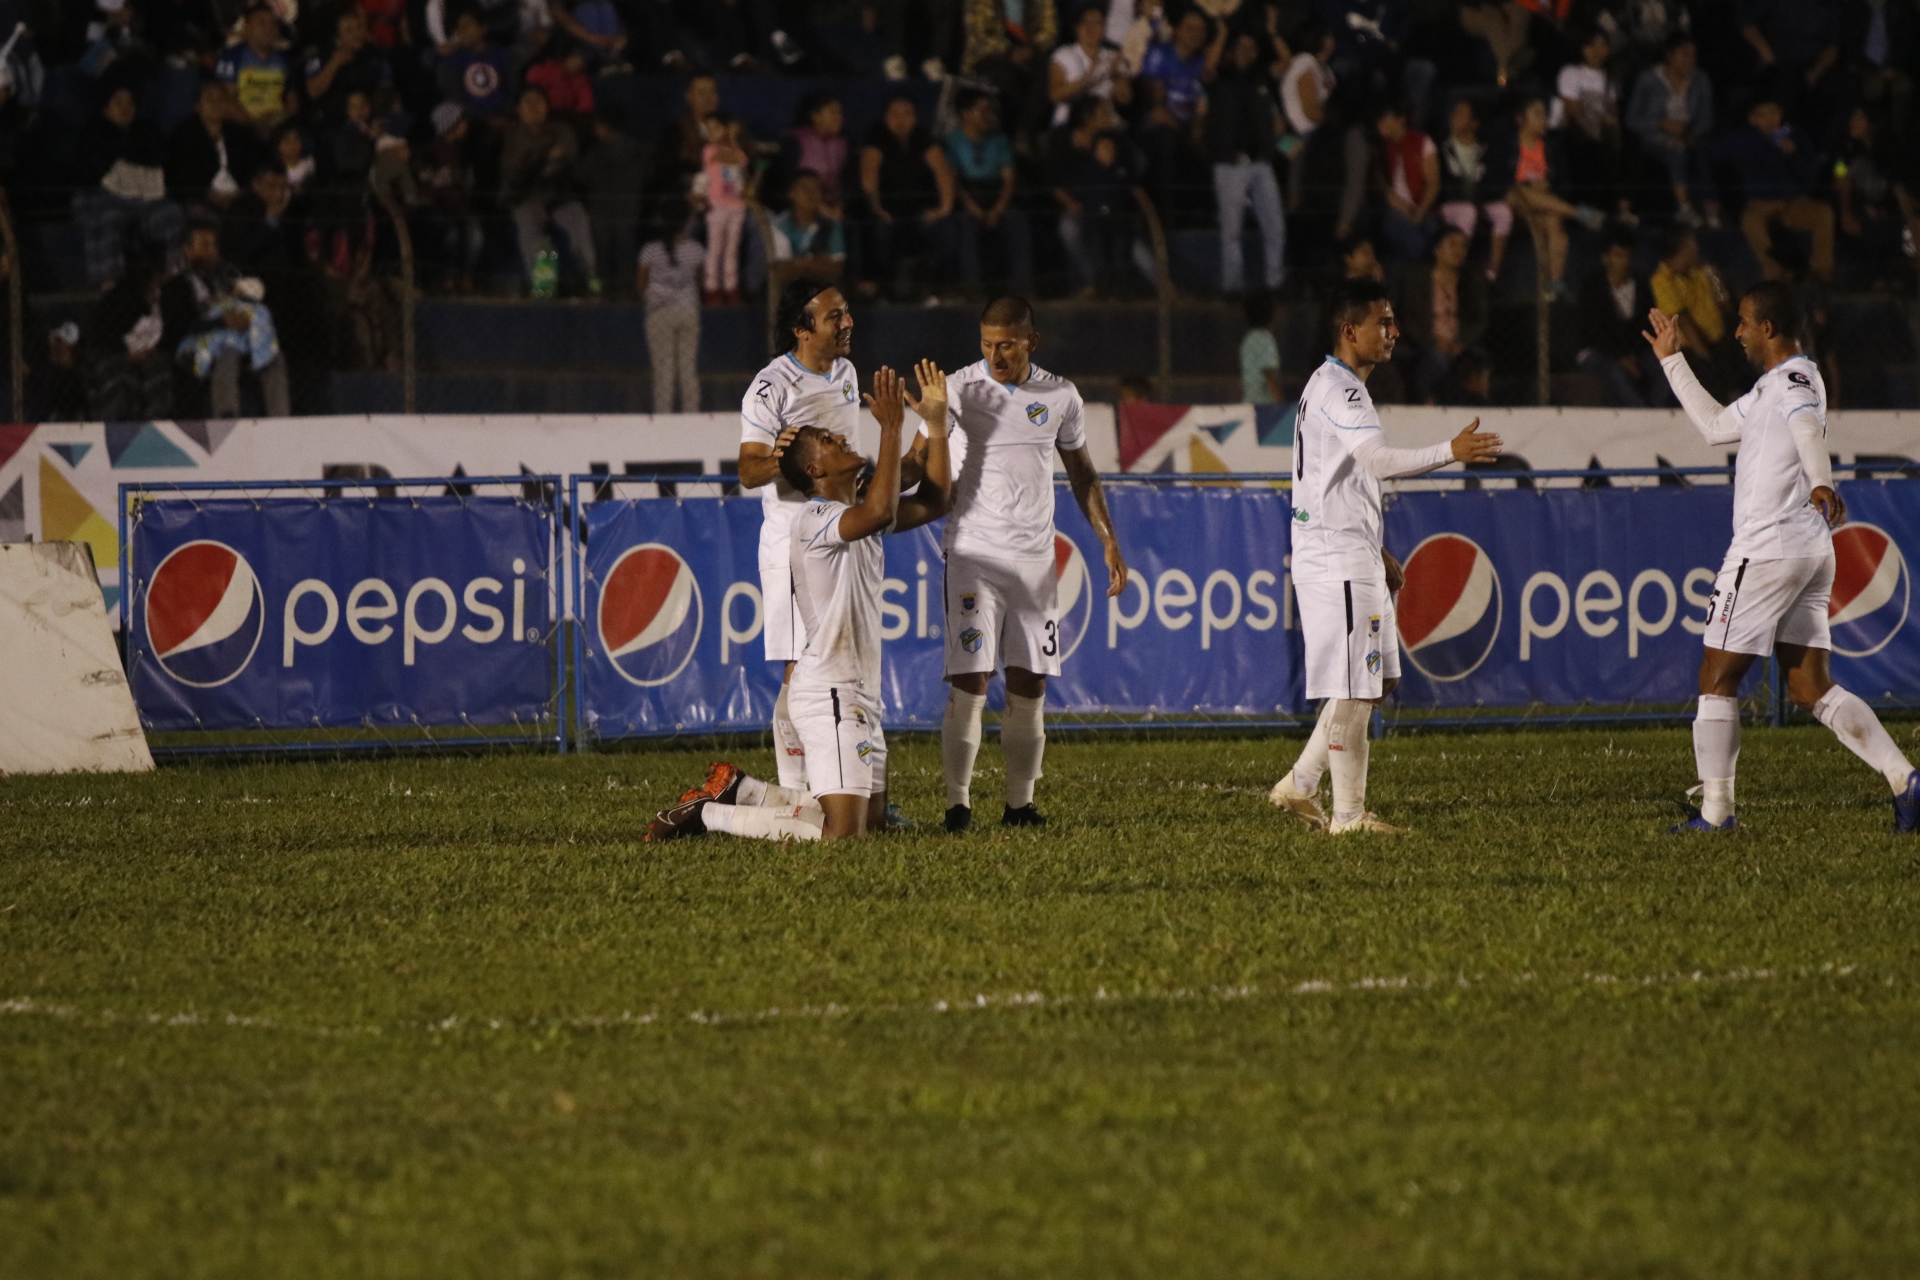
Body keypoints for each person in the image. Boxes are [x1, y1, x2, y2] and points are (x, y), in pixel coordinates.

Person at [1644, 284, 1919, 834]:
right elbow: (1715, 427)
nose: (1737, 333)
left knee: (1715, 677)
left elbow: (1805, 427)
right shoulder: (1774, 386)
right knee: (1809, 686)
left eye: (1744, 323)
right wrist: (1672, 360)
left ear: (1768, 328)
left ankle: (1716, 814)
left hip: (1768, 549)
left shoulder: (1794, 381)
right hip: (1807, 550)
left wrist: (1820, 480)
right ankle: (1904, 780)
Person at [648, 364, 954, 842]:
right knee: (844, 835)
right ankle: (708, 816)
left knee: (872, 823)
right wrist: (892, 427)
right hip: (830, 693)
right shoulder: (815, 520)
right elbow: (880, 510)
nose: (841, 438)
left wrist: (935, 425)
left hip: (861, 693)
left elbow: (936, 502)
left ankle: (745, 790)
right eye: (828, 442)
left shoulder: (854, 513)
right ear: (814, 471)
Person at [1267, 277, 1502, 834]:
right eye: (1384, 322)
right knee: (1359, 686)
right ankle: (1348, 816)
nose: (1395, 331)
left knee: (1381, 680)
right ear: (1350, 331)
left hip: (1350, 551)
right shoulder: (1344, 391)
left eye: (1394, 321)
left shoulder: (1328, 383)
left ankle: (1300, 783)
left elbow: (1334, 480)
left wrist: (1375, 547)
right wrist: (1451, 450)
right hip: (1338, 559)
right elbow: (1377, 461)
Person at [938, 295, 1130, 833]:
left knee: (1030, 684)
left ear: (1031, 342)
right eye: (987, 345)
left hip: (1035, 562)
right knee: (971, 680)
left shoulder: (1061, 395)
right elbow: (920, 458)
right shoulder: (958, 389)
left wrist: (1108, 541)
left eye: (1006, 346)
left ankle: (1019, 806)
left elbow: (1083, 473)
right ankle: (957, 806)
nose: (995, 356)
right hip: (973, 554)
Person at [737, 280, 870, 796]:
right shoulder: (772, 386)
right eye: (834, 316)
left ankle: (836, 783)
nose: (848, 323)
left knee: (837, 660)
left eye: (847, 312)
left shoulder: (846, 373)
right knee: (804, 665)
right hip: (796, 545)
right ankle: (798, 790)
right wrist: (781, 458)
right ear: (802, 329)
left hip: (841, 539)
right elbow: (749, 471)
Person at [161, 217, 291, 418]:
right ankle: (226, 416)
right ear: (187, 250)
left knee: (274, 356)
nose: (211, 252)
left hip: (238, 342)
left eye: (213, 246)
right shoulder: (177, 286)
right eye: (204, 246)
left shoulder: (226, 281)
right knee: (228, 353)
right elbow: (177, 329)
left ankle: (280, 417)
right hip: (198, 348)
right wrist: (222, 322)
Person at [72, 84, 183, 288]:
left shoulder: (146, 130)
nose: (125, 108)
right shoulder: (92, 133)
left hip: (143, 197)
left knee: (170, 212)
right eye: (119, 102)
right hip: (101, 198)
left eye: (130, 103)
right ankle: (109, 288)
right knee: (110, 219)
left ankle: (171, 279)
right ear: (106, 108)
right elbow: (89, 173)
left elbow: (159, 161)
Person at [1494, 97, 1603, 299]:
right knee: (1521, 191)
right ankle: (1578, 212)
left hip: (1545, 204)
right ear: (1520, 119)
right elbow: (1499, 182)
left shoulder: (1551, 148)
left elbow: (1564, 186)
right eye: (1537, 114)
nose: (1543, 119)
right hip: (1515, 203)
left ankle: (1555, 281)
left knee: (1554, 219)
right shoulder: (1507, 145)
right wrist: (1528, 185)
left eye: (1545, 114)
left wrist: (1547, 188)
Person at [1718, 99, 1834, 282]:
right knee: (1750, 221)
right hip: (1760, 204)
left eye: (1774, 113)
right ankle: (1775, 270)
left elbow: (1810, 175)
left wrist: (1793, 155)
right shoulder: (1743, 140)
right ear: (1752, 119)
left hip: (1792, 202)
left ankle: (1821, 273)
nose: (1770, 119)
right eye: (1763, 115)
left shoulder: (1794, 135)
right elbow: (1715, 153)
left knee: (1823, 213)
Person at [501, 85, 600, 295]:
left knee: (580, 226)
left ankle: (590, 280)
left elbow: (566, 156)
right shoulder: (512, 136)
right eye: (528, 102)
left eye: (539, 101)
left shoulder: (562, 130)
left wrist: (538, 160)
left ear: (547, 106)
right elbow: (516, 172)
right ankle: (541, 286)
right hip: (525, 197)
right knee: (531, 234)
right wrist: (544, 157)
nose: (534, 107)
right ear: (519, 109)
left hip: (560, 196)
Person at [1207, 31, 1286, 293]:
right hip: (1229, 163)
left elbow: (1287, 62)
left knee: (1275, 226)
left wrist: (1272, 32)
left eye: (1251, 47)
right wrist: (1222, 34)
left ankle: (1274, 283)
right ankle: (1232, 286)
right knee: (1231, 230)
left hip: (1260, 162)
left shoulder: (1261, 79)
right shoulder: (1221, 78)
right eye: (1241, 46)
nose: (1246, 51)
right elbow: (1208, 67)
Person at [859, 95, 956, 301]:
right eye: (895, 113)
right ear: (886, 116)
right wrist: (877, 208)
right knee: (880, 232)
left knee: (945, 229)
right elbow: (869, 175)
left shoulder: (923, 137)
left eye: (907, 113)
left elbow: (942, 171)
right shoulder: (876, 138)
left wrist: (945, 207)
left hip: (921, 206)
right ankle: (882, 290)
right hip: (887, 207)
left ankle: (939, 287)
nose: (901, 119)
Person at [946, 90, 1033, 296]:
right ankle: (974, 291)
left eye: (990, 110)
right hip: (968, 196)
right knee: (966, 226)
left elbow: (1009, 178)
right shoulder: (952, 141)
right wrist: (972, 207)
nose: (989, 115)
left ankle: (1023, 290)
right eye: (982, 110)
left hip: (996, 195)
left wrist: (999, 208)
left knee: (1017, 222)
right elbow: (952, 180)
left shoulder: (1000, 140)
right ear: (964, 114)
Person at [1625, 35, 1714, 228]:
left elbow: (1706, 118)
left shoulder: (1700, 79)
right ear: (1669, 55)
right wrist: (1661, 123)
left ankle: (1711, 209)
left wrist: (1692, 133)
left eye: (1693, 55)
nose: (1690, 59)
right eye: (1684, 54)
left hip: (1688, 133)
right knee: (1676, 149)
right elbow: (1632, 119)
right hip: (1653, 134)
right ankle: (1684, 208)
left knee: (1704, 151)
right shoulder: (1649, 79)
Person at [1392, 224, 1486, 399]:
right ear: (1437, 249)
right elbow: (1410, 318)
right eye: (1452, 244)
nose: (1459, 251)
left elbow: (1479, 319)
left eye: (1463, 246)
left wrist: (1461, 341)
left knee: (1474, 363)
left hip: (1460, 343)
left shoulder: (1471, 280)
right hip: (1426, 341)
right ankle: (1424, 400)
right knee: (1438, 361)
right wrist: (1434, 341)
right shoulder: (1417, 279)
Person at [1575, 227, 1662, 406]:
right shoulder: (1592, 287)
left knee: (1663, 369)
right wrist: (1619, 357)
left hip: (1635, 351)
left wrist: (1633, 354)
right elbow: (1593, 331)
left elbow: (1645, 323)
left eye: (1627, 256)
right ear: (1606, 258)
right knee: (1617, 374)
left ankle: (1656, 411)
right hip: (1598, 351)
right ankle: (1642, 414)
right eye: (1618, 255)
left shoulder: (1641, 284)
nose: (1624, 261)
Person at [638, 199, 704, 413]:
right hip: (687, 311)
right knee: (688, 368)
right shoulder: (696, 250)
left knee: (663, 369)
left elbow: (641, 284)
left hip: (659, 313)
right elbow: (701, 280)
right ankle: (691, 414)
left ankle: (663, 415)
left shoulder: (650, 250)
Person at [1436, 99, 1511, 282]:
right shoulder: (1443, 147)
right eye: (1454, 113)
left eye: (1461, 113)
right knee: (1468, 212)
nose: (1454, 117)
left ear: (1474, 123)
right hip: (1450, 204)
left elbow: (1494, 182)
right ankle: (1459, 267)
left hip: (1479, 202)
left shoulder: (1486, 149)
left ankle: (1493, 272)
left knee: (1504, 212)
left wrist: (1480, 201)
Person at [166, 81, 260, 210]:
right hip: (200, 200)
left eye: (221, 99)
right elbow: (180, 178)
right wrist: (207, 195)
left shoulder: (239, 134)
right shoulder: (184, 135)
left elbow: (251, 168)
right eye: (210, 99)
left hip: (238, 198)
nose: (216, 104)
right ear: (198, 106)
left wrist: (240, 193)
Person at [1370, 101, 1436, 263]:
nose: (1380, 124)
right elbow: (1385, 190)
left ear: (1401, 119)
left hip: (1422, 206)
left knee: (1432, 229)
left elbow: (1433, 184)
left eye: (1385, 118)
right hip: (1393, 210)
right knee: (1415, 240)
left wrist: (1420, 211)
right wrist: (1405, 209)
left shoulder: (1422, 141)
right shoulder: (1379, 149)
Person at [1049, 2, 1130, 127]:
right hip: (1069, 124)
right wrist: (1089, 78)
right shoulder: (1064, 55)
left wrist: (1116, 77)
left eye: (1096, 23)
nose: (1090, 28)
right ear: (1076, 27)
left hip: (1104, 125)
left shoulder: (1113, 57)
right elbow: (1056, 94)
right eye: (1085, 23)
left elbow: (1125, 99)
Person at [215, 3, 293, 131]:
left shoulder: (284, 59)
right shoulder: (232, 57)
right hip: (243, 128)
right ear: (248, 27)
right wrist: (253, 125)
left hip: (278, 127)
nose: (268, 28)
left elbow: (292, 99)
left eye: (273, 24)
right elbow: (227, 98)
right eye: (261, 23)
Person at [700, 112, 751, 305]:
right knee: (715, 248)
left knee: (732, 249)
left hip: (736, 206)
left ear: (726, 129)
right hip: (717, 205)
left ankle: (731, 287)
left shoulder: (738, 151)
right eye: (708, 129)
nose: (711, 132)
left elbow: (742, 162)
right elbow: (726, 157)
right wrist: (731, 139)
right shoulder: (709, 150)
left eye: (716, 128)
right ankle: (712, 287)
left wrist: (732, 139)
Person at [770, 169, 846, 276]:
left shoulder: (831, 225)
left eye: (816, 189)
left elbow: (838, 267)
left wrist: (800, 263)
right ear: (792, 193)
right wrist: (819, 262)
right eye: (804, 188)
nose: (811, 194)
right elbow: (781, 270)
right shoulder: (778, 226)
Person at [1241, 289, 1281, 403]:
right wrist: (1280, 402)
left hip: (1249, 402)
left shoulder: (1248, 339)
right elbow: (1268, 374)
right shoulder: (1265, 339)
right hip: (1263, 405)